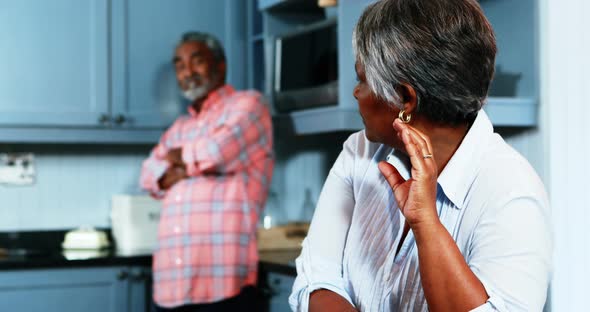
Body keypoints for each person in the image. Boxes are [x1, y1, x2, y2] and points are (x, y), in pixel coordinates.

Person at [289, 0, 551, 311]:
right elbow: (315, 278)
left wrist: (426, 222)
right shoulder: (359, 153)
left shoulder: (511, 193)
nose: (355, 93)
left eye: (361, 79)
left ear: (404, 98)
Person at [139, 31, 274, 311]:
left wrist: (178, 159)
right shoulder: (180, 127)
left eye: (196, 61)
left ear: (220, 65)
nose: (187, 71)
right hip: (171, 287)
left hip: (223, 287)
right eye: (179, 64)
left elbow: (217, 153)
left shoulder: (249, 105)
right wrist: (192, 161)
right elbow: (148, 177)